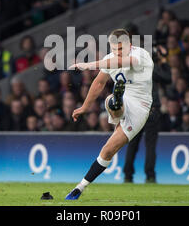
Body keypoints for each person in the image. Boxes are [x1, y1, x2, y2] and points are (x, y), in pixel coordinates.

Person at [65, 29, 153, 200]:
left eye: (121, 49)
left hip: (141, 105)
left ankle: (80, 186)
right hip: (124, 98)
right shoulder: (108, 60)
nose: (117, 53)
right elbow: (98, 83)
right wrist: (84, 107)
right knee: (110, 100)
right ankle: (79, 188)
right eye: (114, 49)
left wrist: (88, 65)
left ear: (129, 45)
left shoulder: (141, 55)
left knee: (108, 151)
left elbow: (122, 62)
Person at [123, 44, 171, 184]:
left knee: (132, 144)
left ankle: (127, 175)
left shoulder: (132, 67)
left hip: (134, 110)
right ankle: (150, 175)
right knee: (150, 145)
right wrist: (164, 61)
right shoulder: (150, 67)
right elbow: (167, 78)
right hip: (151, 109)